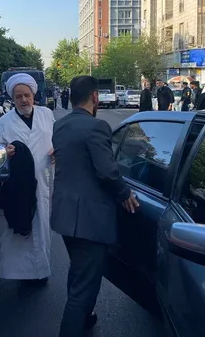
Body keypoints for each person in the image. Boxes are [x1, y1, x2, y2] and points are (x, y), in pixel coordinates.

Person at [52, 75, 139, 337]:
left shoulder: (60, 125)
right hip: (89, 220)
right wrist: (125, 192)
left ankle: (86, 318)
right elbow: (107, 171)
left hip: (65, 214)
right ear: (95, 97)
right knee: (83, 287)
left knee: (79, 273)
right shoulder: (96, 126)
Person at [0, 73, 55, 297]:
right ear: (13, 99)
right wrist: (4, 153)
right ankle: (24, 274)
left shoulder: (47, 115)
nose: (23, 100)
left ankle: (42, 271)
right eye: (18, 97)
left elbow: (56, 139)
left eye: (27, 95)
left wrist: (57, 150)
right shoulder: (3, 123)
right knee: (22, 229)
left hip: (45, 180)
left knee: (42, 226)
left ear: (33, 94)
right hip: (20, 185)